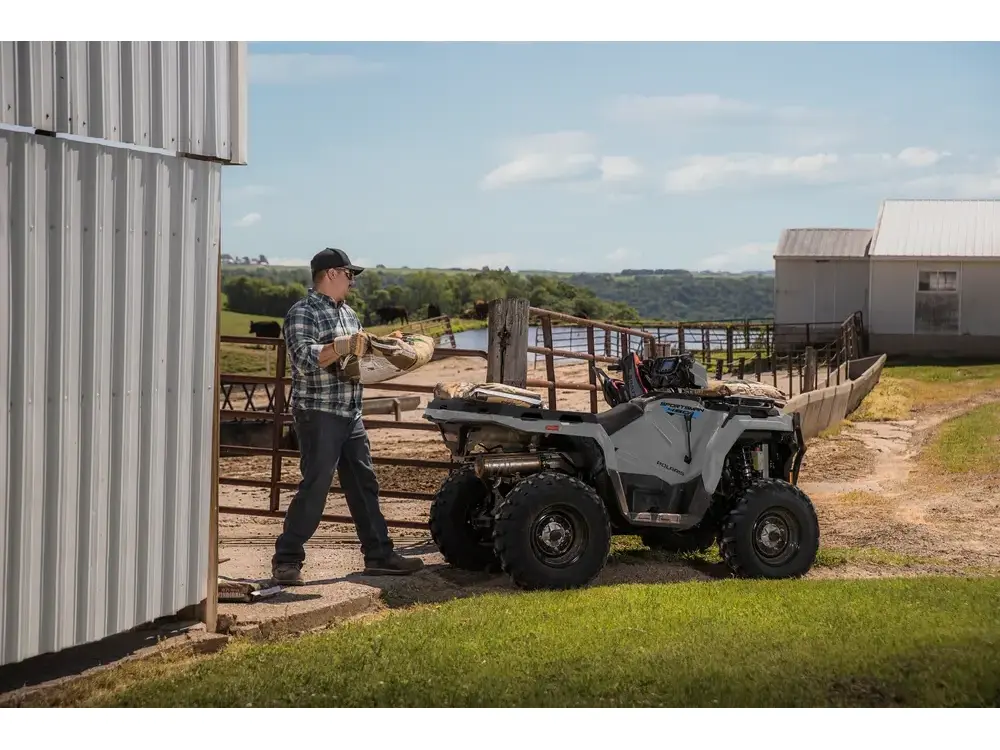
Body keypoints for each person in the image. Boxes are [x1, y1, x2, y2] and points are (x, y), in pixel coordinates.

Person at [271, 248, 425, 584]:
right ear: (331, 274)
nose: (352, 281)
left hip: (351, 413)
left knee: (363, 483)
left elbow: (358, 359)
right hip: (319, 413)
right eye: (349, 274)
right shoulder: (303, 312)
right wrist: (341, 346)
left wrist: (384, 346)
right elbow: (302, 357)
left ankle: (379, 555)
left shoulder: (350, 314)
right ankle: (287, 559)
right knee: (316, 485)